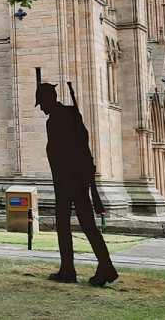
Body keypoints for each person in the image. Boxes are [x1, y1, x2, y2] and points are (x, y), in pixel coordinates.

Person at [37, 77, 118, 287]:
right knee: (84, 225)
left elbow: (61, 151)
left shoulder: (56, 120)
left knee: (68, 225)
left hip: (67, 180)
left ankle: (76, 269)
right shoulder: (69, 114)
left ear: (48, 100)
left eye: (42, 104)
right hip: (75, 179)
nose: (41, 109)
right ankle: (91, 267)